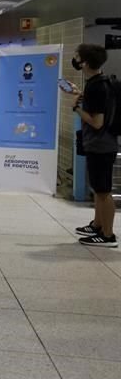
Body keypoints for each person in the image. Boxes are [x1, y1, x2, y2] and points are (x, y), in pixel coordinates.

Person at [65, 44, 118, 247]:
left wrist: (77, 108)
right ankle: (97, 224)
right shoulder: (100, 81)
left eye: (77, 57)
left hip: (101, 144)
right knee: (98, 188)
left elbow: (97, 122)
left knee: (103, 191)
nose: (75, 60)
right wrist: (81, 95)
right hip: (102, 143)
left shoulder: (97, 86)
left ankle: (108, 235)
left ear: (85, 62)